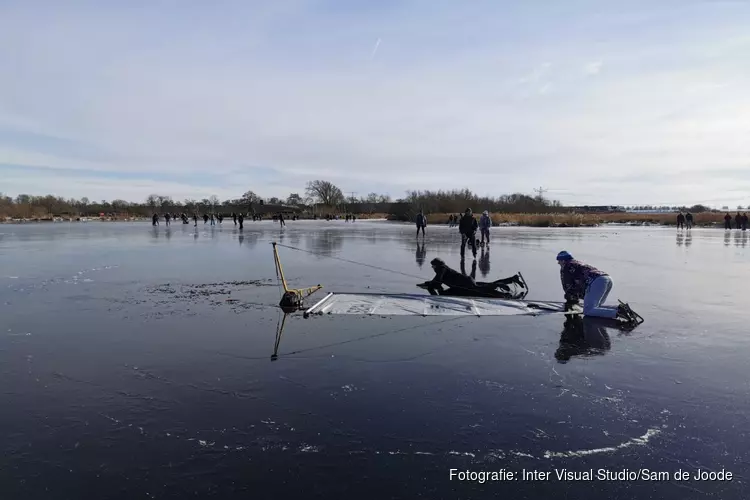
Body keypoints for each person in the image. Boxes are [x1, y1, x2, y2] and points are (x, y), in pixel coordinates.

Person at [556, 250, 635, 322]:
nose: (558, 263)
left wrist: (571, 301)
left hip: (595, 281)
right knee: (597, 306)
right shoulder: (577, 263)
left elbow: (568, 286)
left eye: (559, 261)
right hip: (607, 278)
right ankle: (620, 308)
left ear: (563, 260)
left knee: (588, 311)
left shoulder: (567, 267)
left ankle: (618, 312)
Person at [419, 257, 524, 297]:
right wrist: (428, 284)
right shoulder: (443, 269)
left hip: (466, 284)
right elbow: (436, 281)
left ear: (436, 265)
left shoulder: (441, 269)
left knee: (484, 291)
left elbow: (437, 282)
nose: (432, 267)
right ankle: (512, 279)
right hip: (467, 281)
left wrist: (430, 286)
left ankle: (504, 293)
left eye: (433, 265)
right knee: (486, 286)